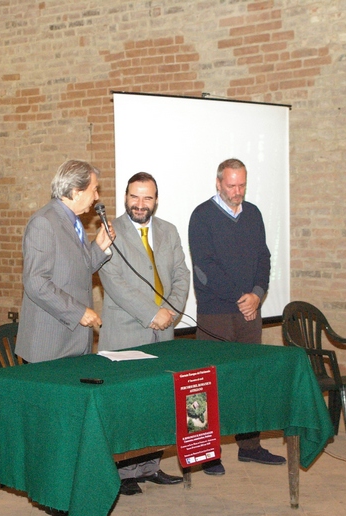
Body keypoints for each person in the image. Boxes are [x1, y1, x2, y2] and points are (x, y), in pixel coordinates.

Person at [188, 158, 286, 473]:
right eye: (231, 185)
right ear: (218, 183)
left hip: (249, 311)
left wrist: (257, 293)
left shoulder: (253, 213)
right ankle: (206, 452)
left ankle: (250, 446)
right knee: (208, 382)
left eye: (241, 185)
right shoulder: (202, 216)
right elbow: (204, 268)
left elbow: (264, 257)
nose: (237, 191)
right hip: (216, 311)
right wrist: (239, 297)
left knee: (249, 379)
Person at [98, 171, 190, 496]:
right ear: (125, 198)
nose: (140, 204)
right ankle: (124, 473)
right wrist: (152, 313)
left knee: (156, 400)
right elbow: (113, 282)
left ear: (155, 200)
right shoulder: (111, 232)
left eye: (147, 197)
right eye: (134, 197)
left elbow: (181, 273)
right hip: (125, 332)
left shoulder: (169, 231)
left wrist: (172, 313)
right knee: (127, 403)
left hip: (163, 333)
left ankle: (151, 466)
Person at [14, 159, 114, 364]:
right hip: (50, 344)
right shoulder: (44, 222)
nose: (97, 197)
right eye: (94, 190)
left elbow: (77, 270)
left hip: (74, 339)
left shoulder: (74, 221)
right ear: (76, 192)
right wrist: (78, 312)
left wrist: (99, 246)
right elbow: (35, 282)